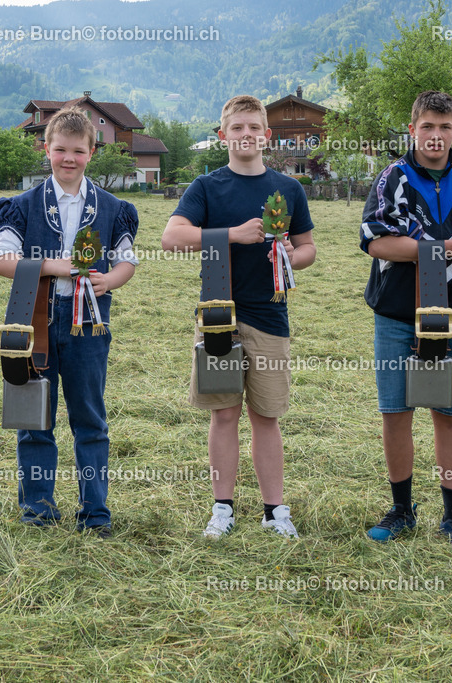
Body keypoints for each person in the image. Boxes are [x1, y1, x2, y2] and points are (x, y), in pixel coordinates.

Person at [162, 95, 317, 539]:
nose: (246, 135)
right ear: (223, 136)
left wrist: (293, 253)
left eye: (254, 128)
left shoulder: (289, 189)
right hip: (218, 319)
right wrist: (232, 235)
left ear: (267, 136)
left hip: (270, 318)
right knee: (224, 415)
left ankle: (274, 510)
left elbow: (308, 249)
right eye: (237, 128)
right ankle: (222, 508)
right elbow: (172, 238)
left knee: (267, 417)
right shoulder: (206, 187)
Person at [359, 90, 452, 556]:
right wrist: (446, 249)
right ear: (413, 129)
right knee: (396, 413)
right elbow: (377, 243)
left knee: (448, 414)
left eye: (444, 127)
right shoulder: (392, 179)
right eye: (427, 127)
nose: (435, 136)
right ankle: (402, 509)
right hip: (398, 316)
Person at [0, 106, 138, 537]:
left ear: (92, 151)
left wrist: (109, 280)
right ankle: (38, 508)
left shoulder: (113, 208)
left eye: (78, 150)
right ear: (46, 149)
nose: (68, 158)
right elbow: (1, 261)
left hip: (88, 326)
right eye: (60, 150)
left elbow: (127, 262)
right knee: (34, 417)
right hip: (33, 324)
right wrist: (58, 266)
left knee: (90, 418)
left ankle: (95, 512)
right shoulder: (20, 207)